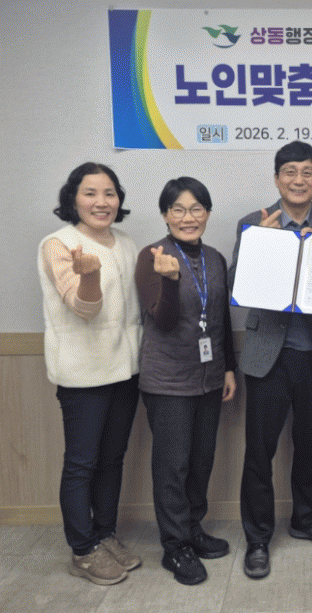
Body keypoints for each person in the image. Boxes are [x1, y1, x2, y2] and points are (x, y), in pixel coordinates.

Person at [229, 141, 312, 579]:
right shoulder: (254, 222)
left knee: (310, 443)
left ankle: (307, 519)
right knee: (259, 451)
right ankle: (258, 538)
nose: (298, 180)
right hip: (268, 355)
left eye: (307, 172)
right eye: (290, 172)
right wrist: (262, 243)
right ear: (276, 178)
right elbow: (237, 286)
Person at [38, 162, 142, 585]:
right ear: (73, 199)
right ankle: (82, 549)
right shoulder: (58, 244)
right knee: (82, 464)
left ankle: (105, 534)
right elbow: (84, 309)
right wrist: (91, 275)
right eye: (90, 193)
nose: (102, 202)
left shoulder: (127, 244)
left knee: (112, 460)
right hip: (83, 374)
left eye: (109, 193)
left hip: (126, 369)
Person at [135, 177, 237, 585]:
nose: (187, 217)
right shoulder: (152, 256)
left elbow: (220, 319)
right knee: (172, 466)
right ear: (165, 214)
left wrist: (228, 367)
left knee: (200, 461)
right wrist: (170, 280)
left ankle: (193, 529)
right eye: (177, 209)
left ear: (207, 213)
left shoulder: (214, 258)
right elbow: (162, 320)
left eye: (196, 208)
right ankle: (174, 546)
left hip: (208, 378)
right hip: (168, 381)